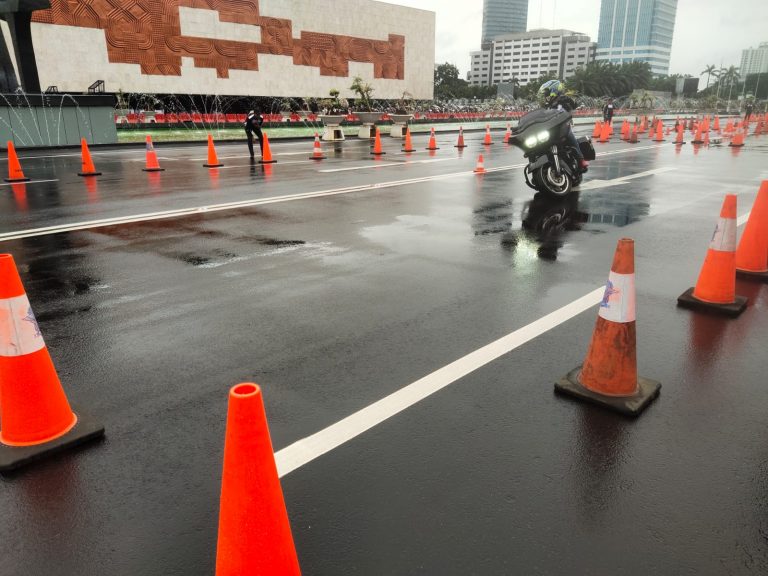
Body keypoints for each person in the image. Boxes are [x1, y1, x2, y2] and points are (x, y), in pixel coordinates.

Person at [537, 79, 588, 170]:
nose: (545, 97)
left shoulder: (563, 99)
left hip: (563, 127)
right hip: (551, 129)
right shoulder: (547, 106)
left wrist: (568, 100)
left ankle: (581, 159)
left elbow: (573, 105)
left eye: (547, 94)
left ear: (554, 91)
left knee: (570, 135)